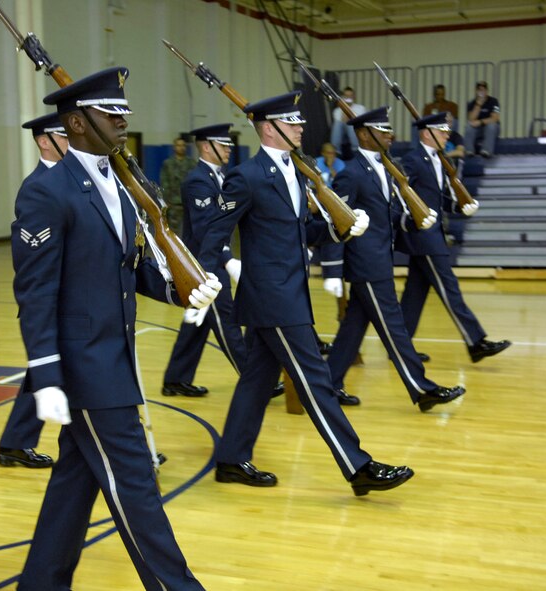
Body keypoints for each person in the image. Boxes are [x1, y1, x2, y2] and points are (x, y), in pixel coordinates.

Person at [13, 67, 218, 591]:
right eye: (112, 114)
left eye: (125, 113)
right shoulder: (46, 193)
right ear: (77, 123)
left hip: (114, 358)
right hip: (86, 369)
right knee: (135, 487)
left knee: (74, 483)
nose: (124, 123)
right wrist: (46, 376)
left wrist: (179, 290)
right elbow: (35, 293)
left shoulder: (119, 187)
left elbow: (127, 267)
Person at [197, 91, 415, 497]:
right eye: (291, 121)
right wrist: (202, 282)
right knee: (316, 381)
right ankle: (358, 466)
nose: (301, 127)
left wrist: (340, 229)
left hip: (288, 292)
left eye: (299, 121)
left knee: (256, 382)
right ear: (268, 127)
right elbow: (212, 234)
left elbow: (301, 234)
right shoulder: (247, 176)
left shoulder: (295, 171)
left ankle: (230, 459)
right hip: (273, 296)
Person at [325, 106, 466, 412]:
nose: (390, 136)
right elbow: (337, 222)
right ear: (363, 134)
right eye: (382, 131)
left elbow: (387, 216)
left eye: (389, 131)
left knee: (353, 328)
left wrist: (414, 220)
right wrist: (333, 270)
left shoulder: (383, 168)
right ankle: (422, 388)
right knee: (395, 329)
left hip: (378, 260)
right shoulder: (350, 175)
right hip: (366, 265)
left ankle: (329, 385)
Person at [161, 124, 284, 399]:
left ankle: (176, 378)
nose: (229, 148)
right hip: (206, 265)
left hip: (212, 260)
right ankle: (254, 379)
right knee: (226, 322)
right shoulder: (197, 181)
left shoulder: (218, 176)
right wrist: (228, 259)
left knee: (199, 322)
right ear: (206, 146)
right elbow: (206, 228)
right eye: (223, 144)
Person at [396, 112, 511, 363]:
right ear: (426, 133)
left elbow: (439, 199)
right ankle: (475, 342)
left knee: (414, 294)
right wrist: (410, 220)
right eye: (442, 131)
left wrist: (461, 206)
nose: (447, 134)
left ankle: (400, 349)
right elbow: (400, 195)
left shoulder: (438, 159)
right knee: (450, 289)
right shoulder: (412, 160)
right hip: (423, 237)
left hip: (432, 235)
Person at [0, 112, 68, 469]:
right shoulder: (38, 187)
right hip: (51, 298)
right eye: (64, 135)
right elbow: (31, 260)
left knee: (47, 369)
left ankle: (14, 442)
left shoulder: (76, 182)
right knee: (50, 367)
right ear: (44, 141)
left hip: (74, 299)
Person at [160, 136, 196, 234]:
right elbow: (164, 182)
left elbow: (195, 183)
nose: (181, 147)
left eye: (183, 145)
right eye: (178, 145)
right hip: (173, 204)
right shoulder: (168, 164)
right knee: (173, 232)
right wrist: (166, 201)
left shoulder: (191, 163)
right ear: (174, 147)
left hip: (189, 203)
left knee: (190, 231)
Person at [464, 81, 500, 158]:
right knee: (468, 126)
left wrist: (480, 122)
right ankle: (469, 151)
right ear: (476, 91)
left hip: (491, 129)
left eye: (483, 90)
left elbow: (495, 118)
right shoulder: (472, 103)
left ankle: (486, 151)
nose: (482, 92)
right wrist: (478, 104)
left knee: (491, 126)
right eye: (479, 90)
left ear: (487, 91)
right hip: (478, 130)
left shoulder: (493, 101)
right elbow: (471, 119)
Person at [330, 87, 366, 155]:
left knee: (351, 123)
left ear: (354, 97)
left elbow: (360, 122)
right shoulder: (337, 110)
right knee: (337, 124)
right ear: (343, 97)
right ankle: (336, 151)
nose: (348, 97)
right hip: (342, 135)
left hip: (356, 132)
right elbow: (342, 122)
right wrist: (345, 107)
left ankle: (356, 150)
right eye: (346, 96)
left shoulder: (361, 108)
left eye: (350, 96)